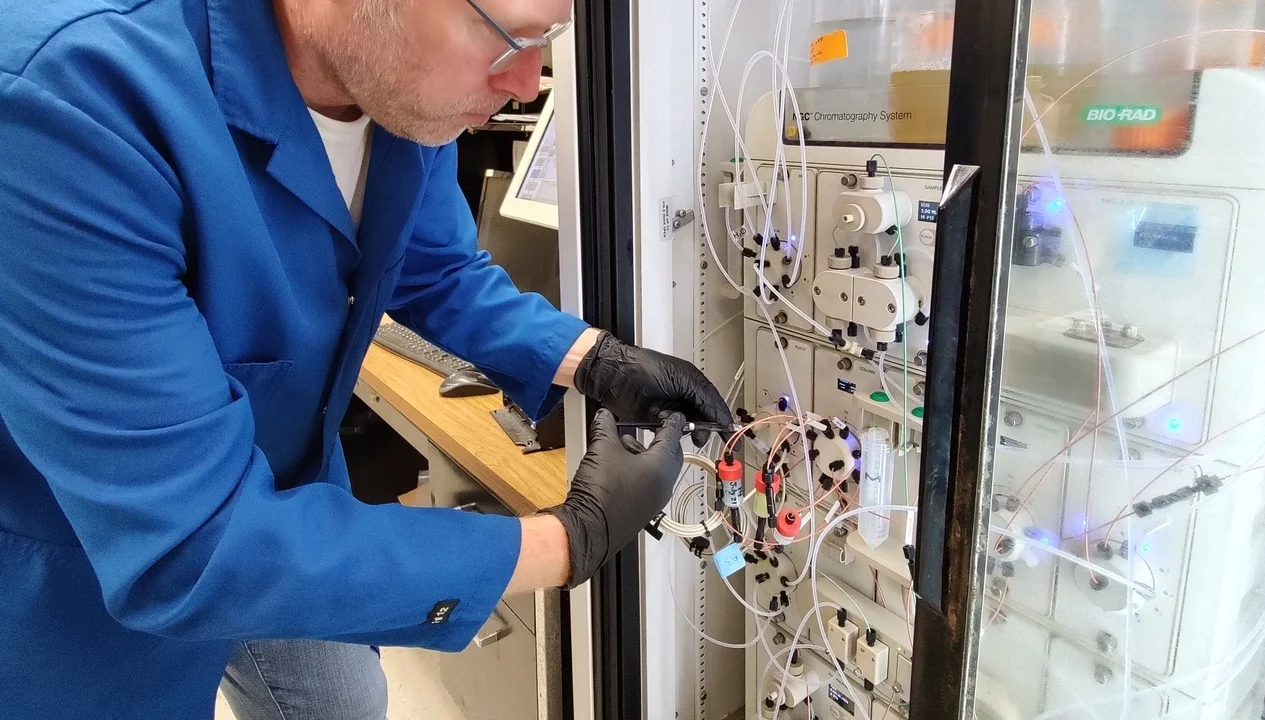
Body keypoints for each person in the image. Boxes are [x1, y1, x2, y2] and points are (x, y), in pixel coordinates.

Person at [0, 0, 734, 717]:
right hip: (96, 554)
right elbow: (195, 548)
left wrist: (594, 361)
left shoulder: (397, 87)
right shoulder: (69, 101)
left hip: (295, 499)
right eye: (510, 40)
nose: (528, 84)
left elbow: (435, 268)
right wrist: (567, 539)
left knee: (342, 701)